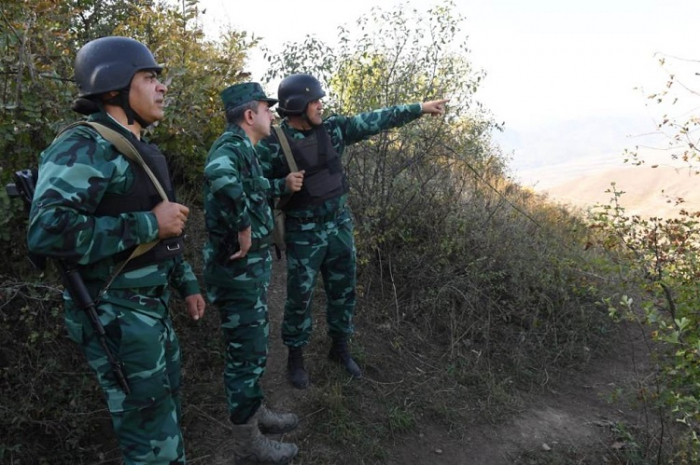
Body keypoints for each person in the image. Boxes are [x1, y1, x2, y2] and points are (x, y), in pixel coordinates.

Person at [26, 37, 206, 464]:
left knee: (165, 420)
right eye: (149, 77)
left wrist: (187, 284)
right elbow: (46, 232)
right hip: (118, 314)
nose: (161, 87)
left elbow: (165, 235)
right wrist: (149, 222)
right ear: (112, 88)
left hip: (151, 310)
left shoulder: (141, 150)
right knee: (150, 444)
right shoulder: (85, 145)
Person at [258, 73, 448, 389]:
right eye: (315, 101)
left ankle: (340, 348)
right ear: (298, 106)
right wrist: (280, 185)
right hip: (303, 233)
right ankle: (295, 356)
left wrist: (419, 107)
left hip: (340, 227)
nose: (321, 105)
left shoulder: (334, 130)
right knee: (299, 298)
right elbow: (253, 185)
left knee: (344, 291)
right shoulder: (273, 144)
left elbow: (376, 120)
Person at [202, 82, 305, 464]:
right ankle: (247, 445)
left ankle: (255, 411)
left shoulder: (246, 149)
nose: (272, 115)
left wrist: (279, 184)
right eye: (266, 108)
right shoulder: (230, 148)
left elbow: (252, 184)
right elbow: (220, 176)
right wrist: (243, 224)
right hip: (237, 273)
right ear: (250, 115)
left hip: (249, 272)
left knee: (253, 350)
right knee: (246, 355)